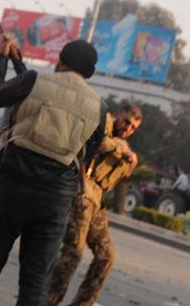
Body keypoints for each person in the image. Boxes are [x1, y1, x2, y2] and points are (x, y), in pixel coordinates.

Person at [0, 37, 105, 306]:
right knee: (35, 282)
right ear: (89, 73)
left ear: (60, 62)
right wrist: (18, 61)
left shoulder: (36, 80)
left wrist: (2, 58)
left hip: (11, 187)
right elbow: (89, 152)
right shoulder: (99, 108)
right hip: (55, 201)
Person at [47, 103, 142, 306]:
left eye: (133, 128)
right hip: (81, 192)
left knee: (106, 257)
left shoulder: (122, 145)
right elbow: (96, 142)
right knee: (73, 252)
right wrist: (121, 148)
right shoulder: (100, 123)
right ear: (118, 114)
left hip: (97, 201)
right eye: (127, 122)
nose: (128, 129)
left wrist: (128, 162)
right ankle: (49, 302)